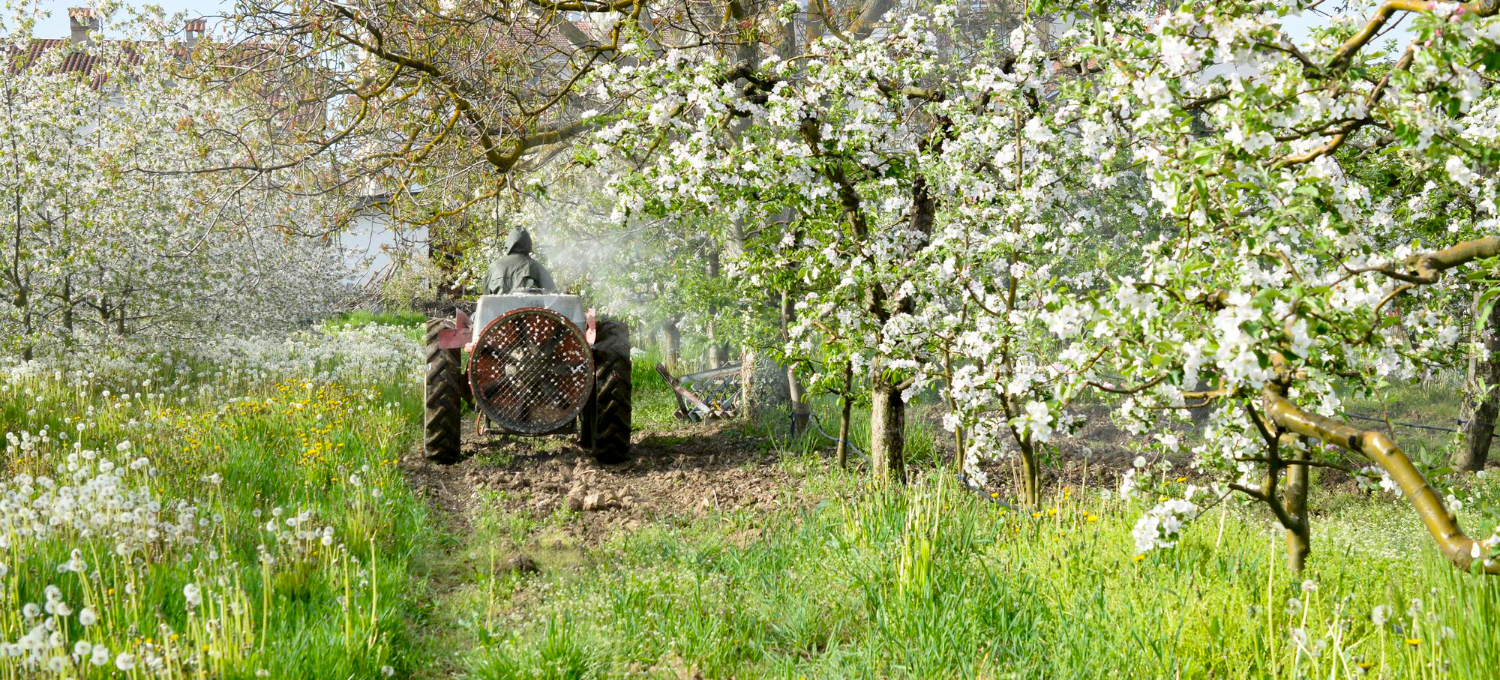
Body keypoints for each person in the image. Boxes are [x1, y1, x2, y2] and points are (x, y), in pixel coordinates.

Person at [481, 228, 556, 295]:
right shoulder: (537, 267)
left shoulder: (494, 267)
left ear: (509, 243)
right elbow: (553, 296)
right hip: (529, 309)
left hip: (498, 310)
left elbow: (485, 294)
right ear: (528, 244)